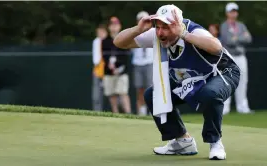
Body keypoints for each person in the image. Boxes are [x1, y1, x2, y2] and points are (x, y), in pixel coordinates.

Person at [114, 4, 240, 160]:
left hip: (223, 73)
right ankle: (182, 141)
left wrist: (183, 34)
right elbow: (119, 42)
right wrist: (138, 29)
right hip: (192, 78)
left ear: (178, 25)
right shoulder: (157, 35)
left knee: (210, 94)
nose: (160, 32)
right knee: (152, 94)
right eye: (158, 27)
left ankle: (215, 142)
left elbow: (216, 47)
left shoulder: (193, 30)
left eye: (166, 27)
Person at [220, 2, 253, 115]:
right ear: (227, 13)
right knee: (227, 81)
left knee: (243, 81)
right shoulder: (224, 26)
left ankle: (243, 107)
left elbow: (249, 39)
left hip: (241, 56)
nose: (233, 13)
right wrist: (241, 37)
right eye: (231, 11)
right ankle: (225, 108)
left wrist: (236, 38)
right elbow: (228, 41)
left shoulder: (241, 25)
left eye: (235, 11)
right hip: (229, 57)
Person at [102, 16, 131, 114]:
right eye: (112, 25)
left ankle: (128, 113)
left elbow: (126, 56)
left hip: (122, 71)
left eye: (116, 25)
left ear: (119, 26)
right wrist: (110, 66)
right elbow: (104, 56)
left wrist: (118, 67)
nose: (114, 27)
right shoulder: (105, 41)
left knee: (123, 93)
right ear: (109, 27)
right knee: (112, 94)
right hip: (109, 72)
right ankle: (115, 114)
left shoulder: (124, 39)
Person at [132, 11, 154, 116]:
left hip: (150, 63)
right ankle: (141, 113)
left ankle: (152, 113)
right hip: (137, 64)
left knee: (150, 89)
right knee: (139, 90)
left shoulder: (154, 32)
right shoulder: (134, 33)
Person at [92, 24, 108, 111]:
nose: (100, 34)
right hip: (98, 71)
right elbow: (96, 59)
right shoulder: (96, 41)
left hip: (108, 72)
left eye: (102, 32)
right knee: (96, 95)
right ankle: (97, 112)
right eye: (98, 32)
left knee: (111, 94)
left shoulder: (109, 41)